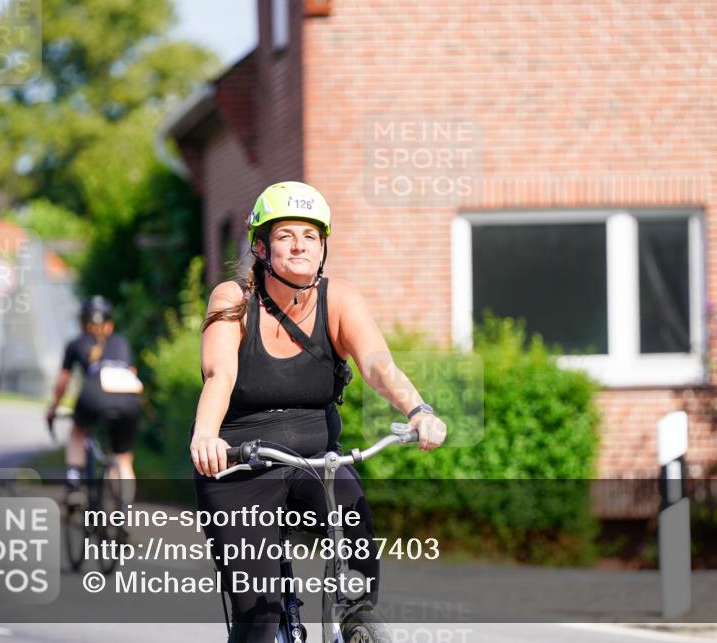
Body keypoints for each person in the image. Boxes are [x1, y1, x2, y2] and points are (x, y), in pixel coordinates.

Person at [191, 181, 448, 642]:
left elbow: (378, 365)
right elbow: (219, 376)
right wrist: (206, 436)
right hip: (240, 464)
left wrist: (418, 409)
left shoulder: (339, 299)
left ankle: (354, 621)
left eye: (311, 236)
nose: (299, 246)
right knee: (259, 617)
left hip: (316, 461)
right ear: (261, 246)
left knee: (356, 550)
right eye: (286, 235)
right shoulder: (234, 299)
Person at [46, 296, 143, 505]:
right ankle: (125, 513)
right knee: (123, 457)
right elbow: (132, 372)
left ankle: (74, 485)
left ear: (82, 323)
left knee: (77, 433)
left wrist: (54, 407)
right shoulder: (121, 341)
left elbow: (63, 382)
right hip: (128, 398)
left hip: (93, 394)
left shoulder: (76, 343)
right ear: (109, 323)